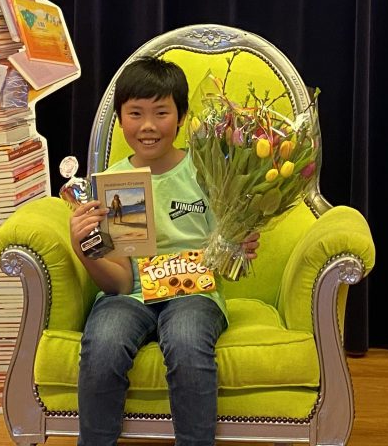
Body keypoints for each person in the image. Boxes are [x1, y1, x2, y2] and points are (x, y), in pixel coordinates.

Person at [69, 56, 259, 446]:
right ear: (120, 120)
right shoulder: (113, 184)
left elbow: (229, 252)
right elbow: (120, 283)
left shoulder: (208, 171)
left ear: (182, 117)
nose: (148, 125)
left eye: (161, 112)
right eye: (135, 113)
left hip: (194, 293)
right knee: (103, 343)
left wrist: (238, 247)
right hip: (132, 296)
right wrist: (84, 248)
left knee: (187, 341)